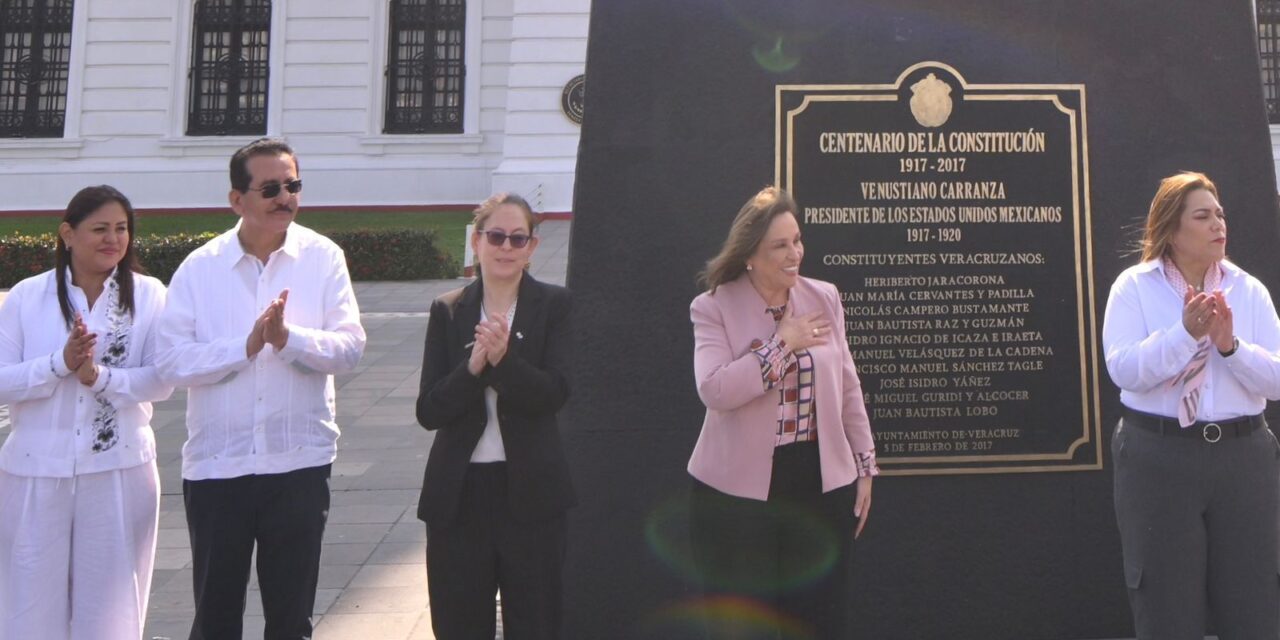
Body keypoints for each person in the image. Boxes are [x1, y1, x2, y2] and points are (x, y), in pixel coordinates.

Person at [156, 137, 366, 640]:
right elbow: (170, 362)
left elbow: (350, 347)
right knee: (216, 619)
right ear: (236, 200)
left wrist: (288, 339)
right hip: (218, 469)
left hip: (298, 465)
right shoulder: (200, 268)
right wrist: (244, 346)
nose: (284, 198)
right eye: (270, 188)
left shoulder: (323, 257)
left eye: (292, 185)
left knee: (291, 620)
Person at [687, 186, 877, 639]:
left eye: (798, 240)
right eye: (780, 245)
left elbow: (848, 385)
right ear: (750, 253)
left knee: (818, 620)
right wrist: (782, 344)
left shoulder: (825, 297)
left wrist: (864, 465)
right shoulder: (713, 306)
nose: (795, 254)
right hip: (735, 496)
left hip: (820, 484)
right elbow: (714, 389)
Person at [1103, 171, 1280, 639]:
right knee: (1166, 608)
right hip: (1158, 458)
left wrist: (1230, 347)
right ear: (1171, 229)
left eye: (1219, 213)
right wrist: (1184, 336)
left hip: (1243, 459)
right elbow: (1123, 369)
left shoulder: (1249, 290)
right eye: (1202, 216)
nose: (1218, 223)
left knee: (1253, 603)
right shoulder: (1134, 287)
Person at [0, 185, 172, 639]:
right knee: (28, 608)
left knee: (112, 612)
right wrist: (60, 363)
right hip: (35, 473)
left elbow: (163, 379)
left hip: (119, 471)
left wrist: (101, 378)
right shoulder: (26, 297)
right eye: (99, 229)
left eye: (121, 229)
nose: (112, 239)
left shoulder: (151, 295)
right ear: (67, 234)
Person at [416, 193, 574, 639]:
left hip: (532, 495)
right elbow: (429, 411)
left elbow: (553, 394)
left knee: (535, 624)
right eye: (496, 236)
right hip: (458, 497)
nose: (506, 247)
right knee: (459, 624)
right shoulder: (447, 310)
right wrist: (472, 369)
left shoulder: (555, 305)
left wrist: (504, 361)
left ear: (532, 248)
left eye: (517, 238)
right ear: (476, 242)